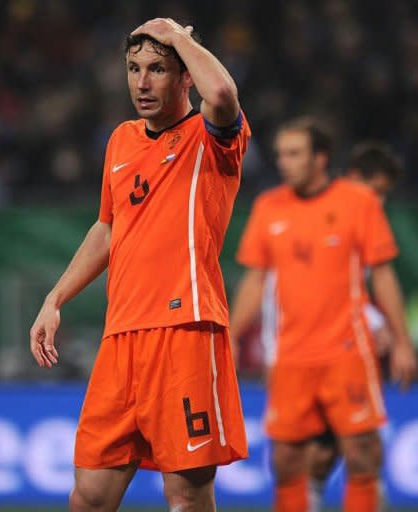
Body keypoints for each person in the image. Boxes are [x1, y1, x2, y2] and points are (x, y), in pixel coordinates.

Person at [29, 18, 250, 512]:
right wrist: (55, 297)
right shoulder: (121, 141)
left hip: (184, 329)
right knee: (88, 496)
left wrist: (181, 39)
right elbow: (107, 228)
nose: (141, 83)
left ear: (184, 76)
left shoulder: (210, 140)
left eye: (156, 69)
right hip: (121, 336)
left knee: (187, 495)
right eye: (133, 69)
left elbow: (223, 94)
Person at [232, 117, 416, 512]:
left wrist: (401, 341)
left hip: (347, 352)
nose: (285, 162)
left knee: (362, 453)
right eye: (281, 154)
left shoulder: (358, 203)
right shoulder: (268, 208)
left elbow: (381, 276)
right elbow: (254, 280)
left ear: (320, 158)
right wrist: (231, 334)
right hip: (291, 356)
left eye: (294, 153)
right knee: (287, 461)